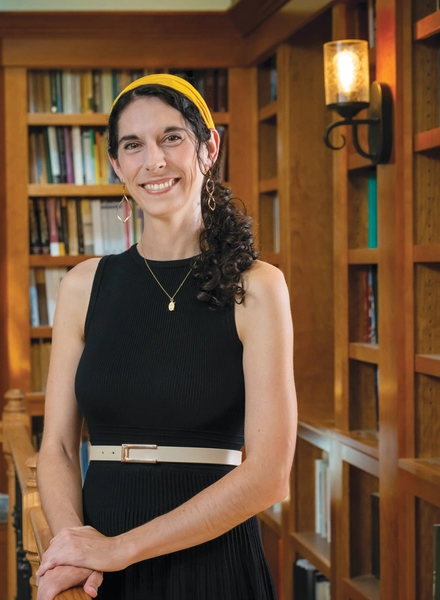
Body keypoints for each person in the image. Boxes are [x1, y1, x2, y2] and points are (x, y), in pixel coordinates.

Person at [35, 73, 298, 600]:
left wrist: (119, 548)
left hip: (213, 564)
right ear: (116, 166)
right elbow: (59, 448)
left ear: (208, 147)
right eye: (132, 145)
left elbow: (270, 475)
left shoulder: (258, 287)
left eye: (171, 137)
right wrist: (74, 546)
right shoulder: (83, 285)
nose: (153, 161)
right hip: (100, 573)